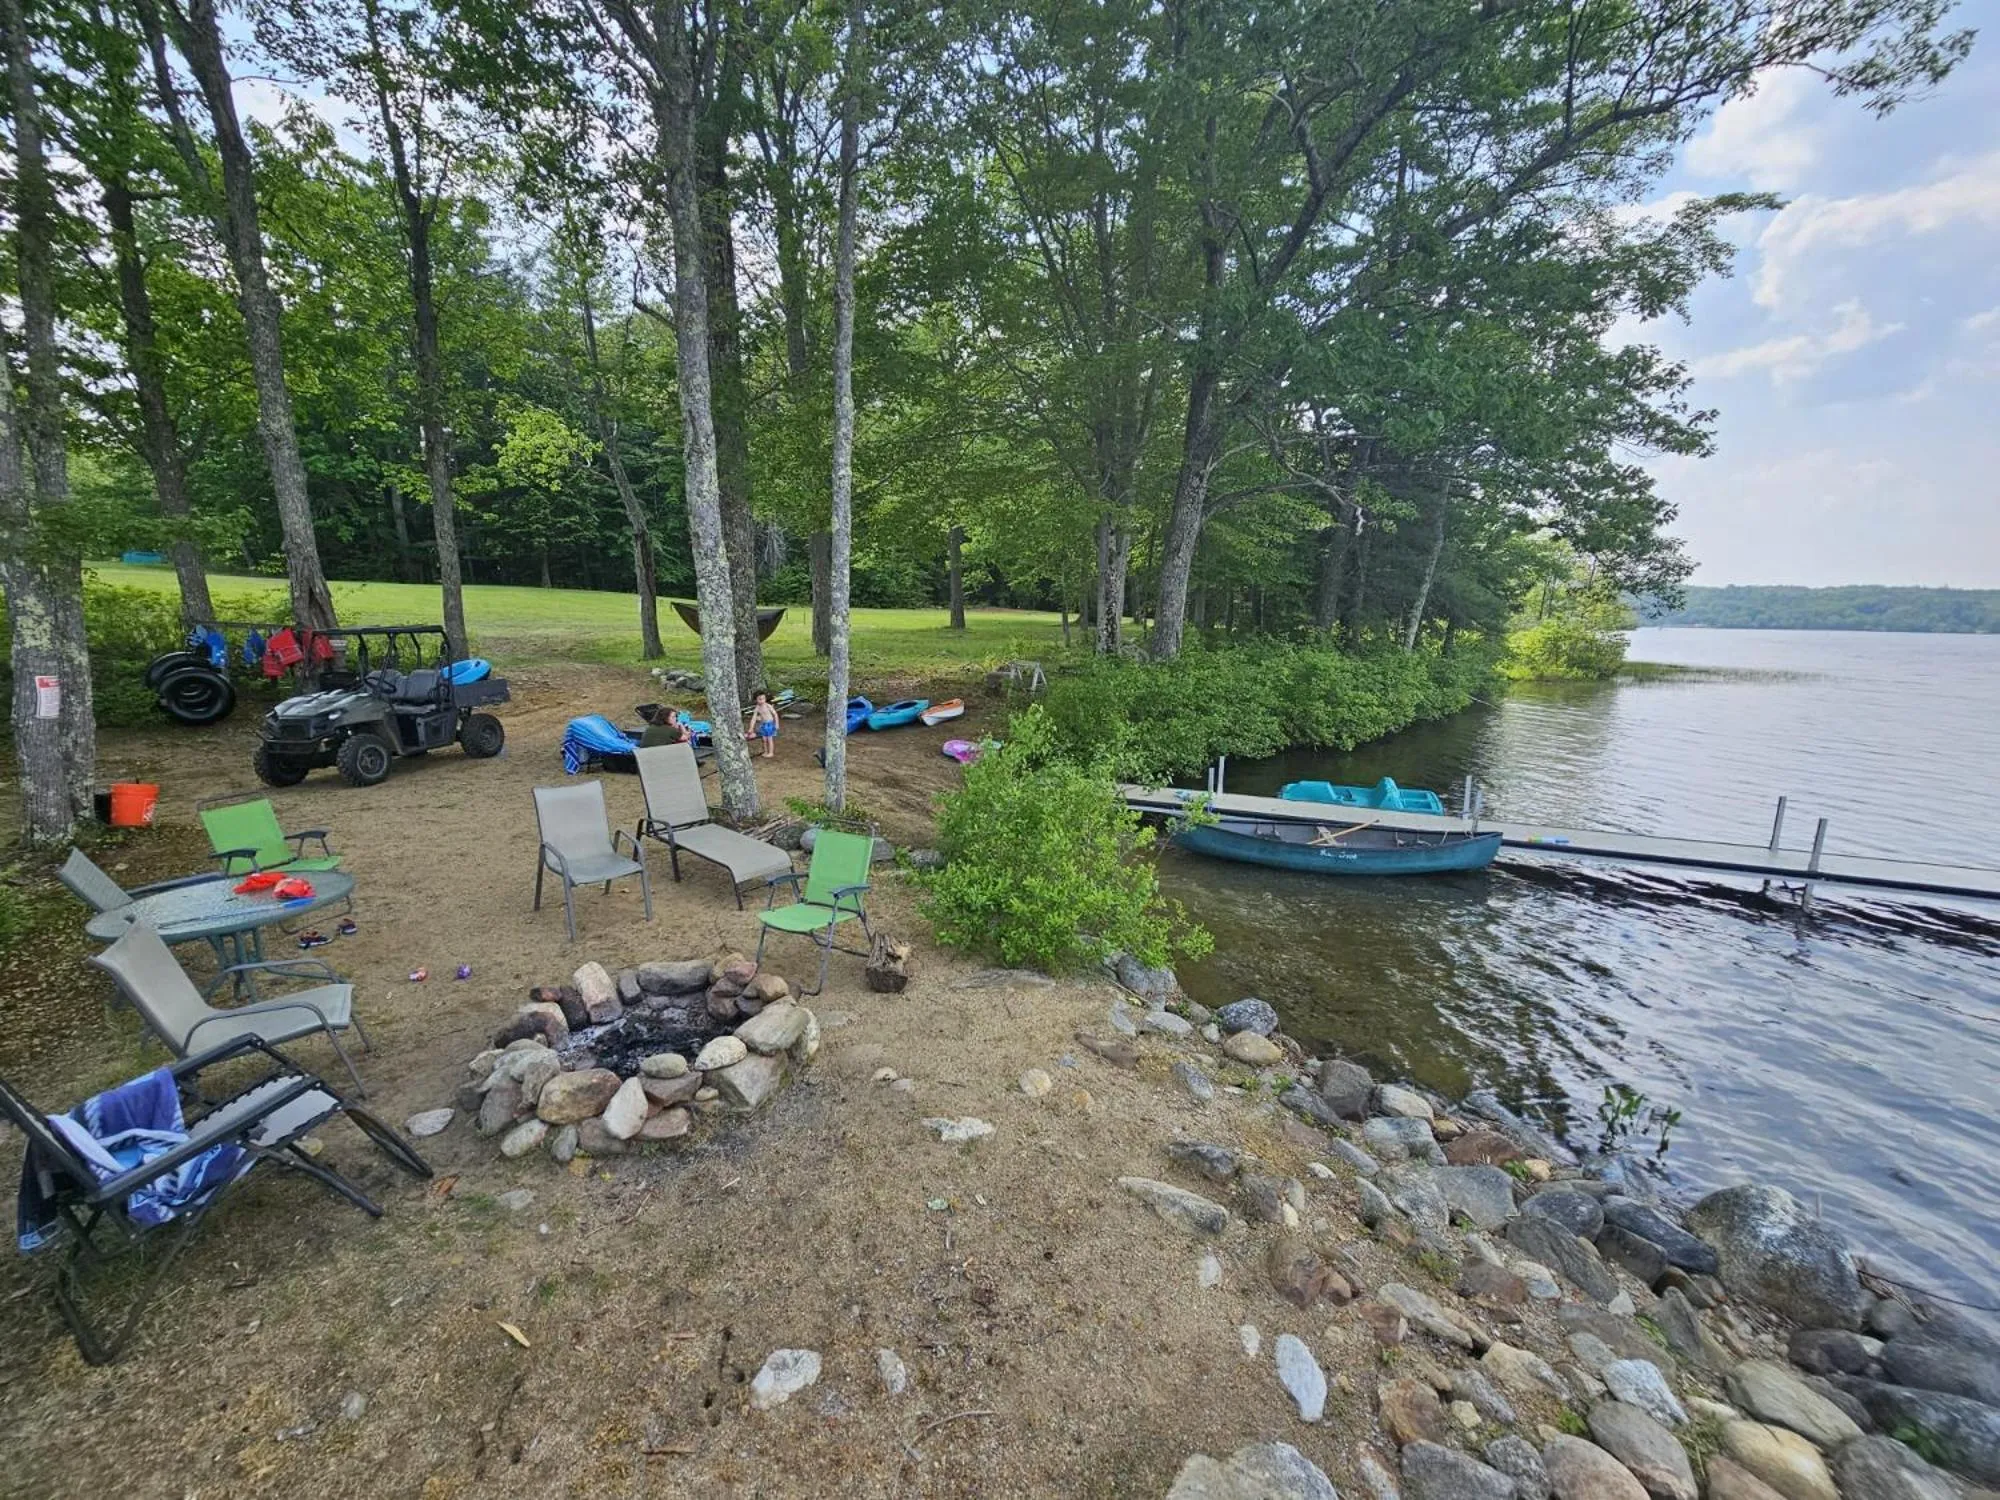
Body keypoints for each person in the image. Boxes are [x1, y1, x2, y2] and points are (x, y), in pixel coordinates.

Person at [747, 691, 779, 758]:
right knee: (764, 739)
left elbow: (775, 714)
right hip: (763, 725)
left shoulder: (768, 706)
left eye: (763, 698)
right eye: (760, 699)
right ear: (756, 700)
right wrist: (751, 727)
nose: (762, 701)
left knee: (769, 739)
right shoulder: (757, 708)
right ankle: (765, 751)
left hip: (769, 724)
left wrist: (776, 724)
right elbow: (754, 718)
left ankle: (771, 752)